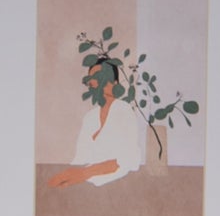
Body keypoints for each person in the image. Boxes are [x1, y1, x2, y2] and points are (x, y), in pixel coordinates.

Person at [47, 49, 148, 191]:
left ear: (115, 82)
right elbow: (80, 159)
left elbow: (127, 159)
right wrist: (72, 176)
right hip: (86, 186)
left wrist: (83, 174)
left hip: (118, 187)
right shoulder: (90, 117)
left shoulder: (124, 111)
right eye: (92, 79)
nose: (95, 82)